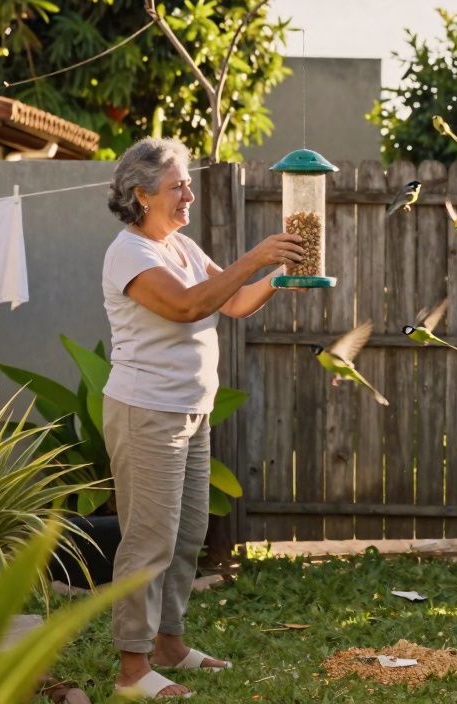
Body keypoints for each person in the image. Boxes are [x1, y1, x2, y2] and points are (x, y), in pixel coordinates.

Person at [102, 137, 305, 698]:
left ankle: (168, 643)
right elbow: (189, 306)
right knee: (148, 540)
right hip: (146, 411)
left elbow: (233, 302)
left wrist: (284, 276)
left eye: (187, 183)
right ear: (141, 195)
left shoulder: (182, 248)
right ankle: (132, 671)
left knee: (187, 534)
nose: (189, 194)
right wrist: (256, 257)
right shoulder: (130, 254)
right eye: (178, 186)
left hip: (190, 411)